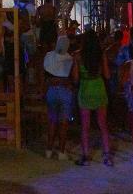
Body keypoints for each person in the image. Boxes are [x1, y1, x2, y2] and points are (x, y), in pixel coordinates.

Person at [73, 30, 113, 166]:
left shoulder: (78, 55)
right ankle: (107, 156)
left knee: (85, 126)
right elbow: (107, 75)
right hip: (98, 88)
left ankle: (85, 156)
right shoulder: (101, 54)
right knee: (103, 124)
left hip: (85, 89)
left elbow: (75, 78)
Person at [43, 36, 73, 160]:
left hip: (51, 90)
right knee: (63, 122)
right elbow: (72, 77)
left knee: (52, 120)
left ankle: (49, 149)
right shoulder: (69, 58)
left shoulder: (49, 56)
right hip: (65, 90)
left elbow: (45, 73)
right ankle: (61, 151)